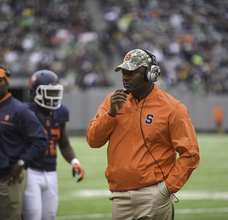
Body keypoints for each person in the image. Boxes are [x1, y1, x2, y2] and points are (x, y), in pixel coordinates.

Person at [86, 49, 200, 220]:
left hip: (154, 194)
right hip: (119, 196)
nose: (125, 77)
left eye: (132, 72)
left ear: (151, 74)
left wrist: (167, 188)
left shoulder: (173, 108)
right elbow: (93, 140)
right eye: (124, 72)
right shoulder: (112, 101)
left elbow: (190, 154)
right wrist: (110, 114)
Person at [0, 66, 48, 220]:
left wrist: (22, 163)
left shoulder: (20, 110)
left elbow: (40, 140)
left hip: (7, 179)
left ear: (7, 83)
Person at [22, 70, 85, 220]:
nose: (53, 97)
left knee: (49, 216)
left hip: (51, 171)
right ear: (35, 92)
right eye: (49, 92)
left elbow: (63, 144)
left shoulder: (61, 112)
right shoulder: (25, 112)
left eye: (55, 92)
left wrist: (74, 161)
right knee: (32, 215)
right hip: (30, 171)